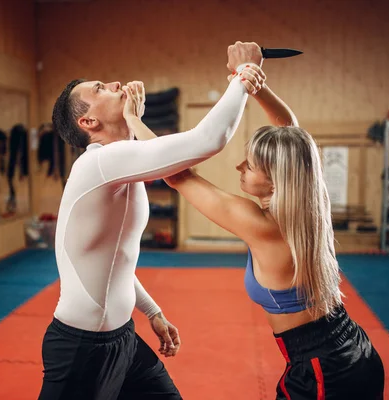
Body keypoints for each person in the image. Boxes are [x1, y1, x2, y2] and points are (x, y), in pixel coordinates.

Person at [133, 66, 386, 399]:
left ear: (274, 179)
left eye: (249, 165)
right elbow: (291, 134)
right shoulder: (309, 205)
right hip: (349, 352)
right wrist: (256, 85)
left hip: (325, 372)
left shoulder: (263, 226)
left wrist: (133, 120)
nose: (239, 167)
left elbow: (178, 176)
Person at [38, 41, 266, 400]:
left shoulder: (122, 164)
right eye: (100, 88)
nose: (114, 84)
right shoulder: (96, 163)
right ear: (88, 122)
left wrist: (152, 311)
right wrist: (243, 75)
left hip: (122, 340)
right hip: (81, 348)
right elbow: (208, 140)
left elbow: (117, 260)